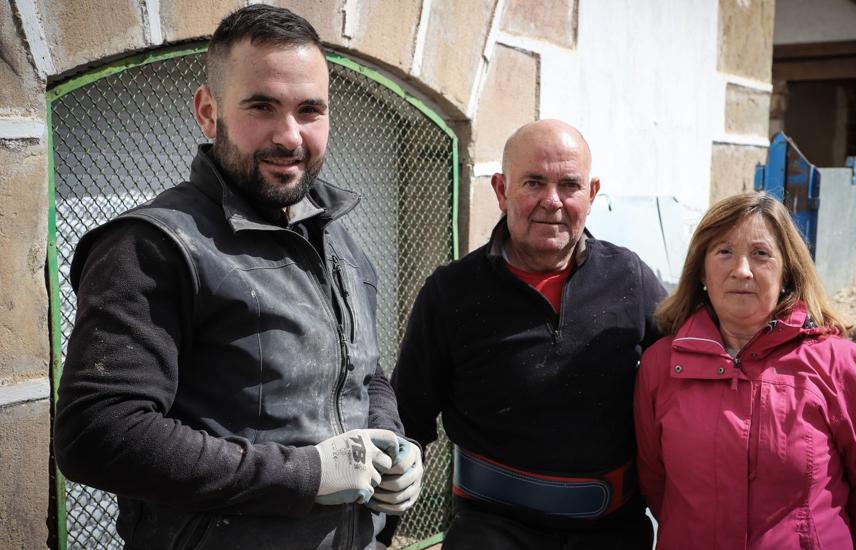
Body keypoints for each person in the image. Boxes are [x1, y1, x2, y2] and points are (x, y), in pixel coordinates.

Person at [53, 5, 422, 549]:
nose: (289, 136)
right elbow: (99, 433)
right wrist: (307, 474)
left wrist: (393, 445)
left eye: (310, 110)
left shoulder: (339, 239)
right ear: (208, 111)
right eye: (262, 106)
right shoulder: (153, 245)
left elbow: (364, 375)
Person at [391, 119, 668, 549]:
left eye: (569, 185)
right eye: (534, 182)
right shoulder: (450, 293)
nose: (552, 201)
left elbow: (692, 379)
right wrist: (377, 534)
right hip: (491, 531)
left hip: (613, 535)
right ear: (501, 190)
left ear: (592, 194)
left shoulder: (629, 278)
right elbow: (407, 419)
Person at [634, 191, 856, 549]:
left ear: (787, 273)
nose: (742, 270)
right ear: (701, 270)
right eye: (724, 252)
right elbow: (655, 484)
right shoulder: (661, 366)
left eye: (761, 254)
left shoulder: (844, 368)